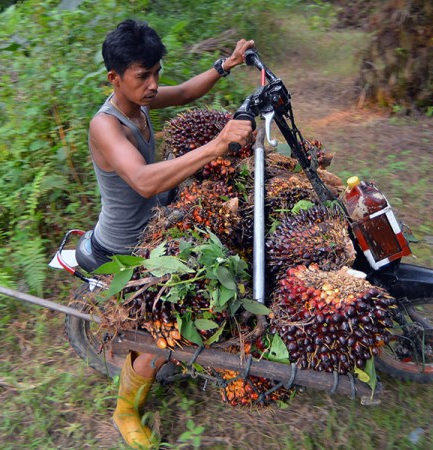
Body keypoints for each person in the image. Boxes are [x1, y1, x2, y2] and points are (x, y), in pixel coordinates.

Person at [75, 19, 255, 449]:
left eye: (157, 72)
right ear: (114, 78)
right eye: (144, 76)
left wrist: (225, 64)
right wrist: (214, 145)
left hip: (158, 224)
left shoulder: (141, 101)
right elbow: (142, 180)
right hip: (126, 249)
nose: (154, 84)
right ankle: (124, 412)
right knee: (165, 331)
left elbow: (188, 92)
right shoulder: (107, 125)